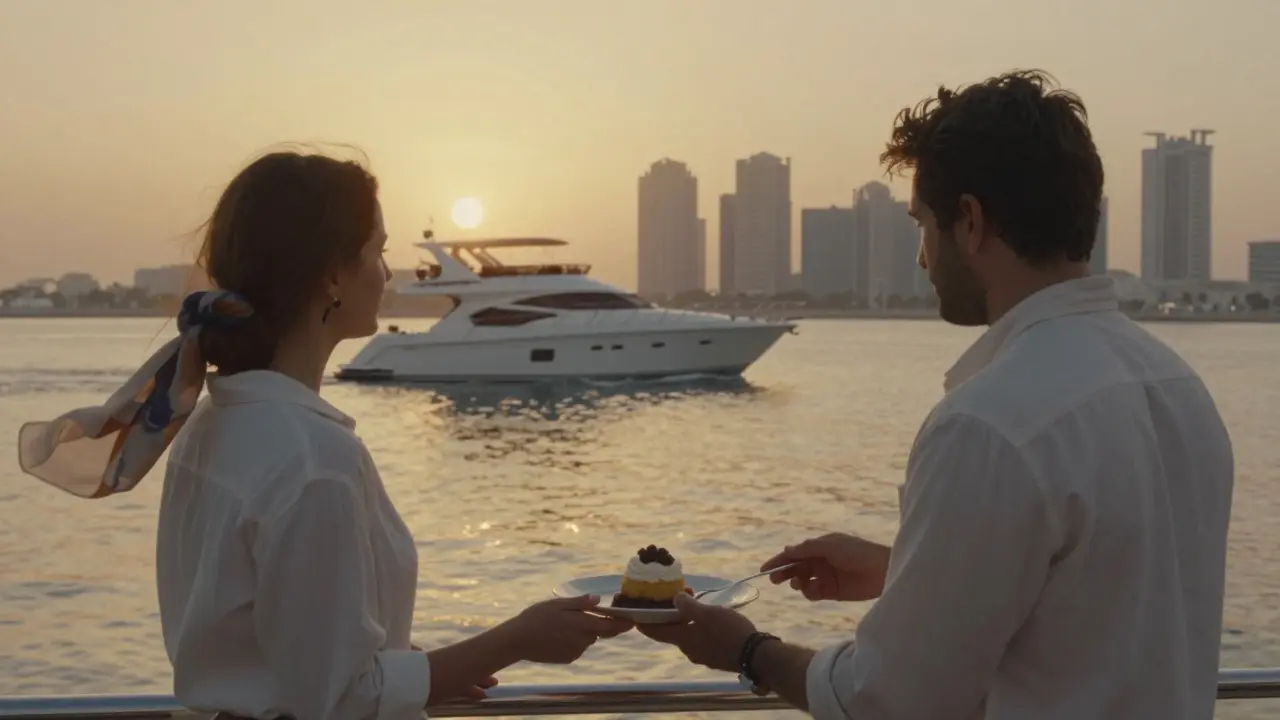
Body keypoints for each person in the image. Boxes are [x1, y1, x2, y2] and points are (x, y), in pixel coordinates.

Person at [640, 69, 1234, 720]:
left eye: (922, 224)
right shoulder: (1178, 388)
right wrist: (908, 570)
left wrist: (748, 651)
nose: (922, 259)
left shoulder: (991, 424)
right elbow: (1104, 597)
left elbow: (891, 699)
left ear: (970, 221)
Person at [17, 149, 633, 720]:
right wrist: (516, 639)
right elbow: (339, 698)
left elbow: (278, 641)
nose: (386, 273)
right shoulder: (312, 458)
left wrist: (423, 670)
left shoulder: (215, 422)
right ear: (332, 275)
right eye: (377, 250)